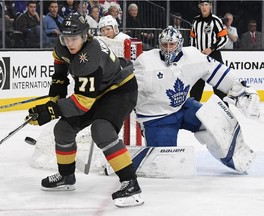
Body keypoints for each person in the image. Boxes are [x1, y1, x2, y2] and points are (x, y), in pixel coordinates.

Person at [25, 14, 144, 208]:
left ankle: (131, 183)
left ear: (85, 36)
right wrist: (56, 92)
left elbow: (82, 104)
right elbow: (60, 69)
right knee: (63, 130)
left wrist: (51, 110)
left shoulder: (90, 57)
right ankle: (66, 176)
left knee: (101, 130)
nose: (69, 43)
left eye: (74, 38)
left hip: (120, 89)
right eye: (66, 38)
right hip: (95, 91)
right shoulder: (62, 46)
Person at [134, 26, 260, 173]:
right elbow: (126, 93)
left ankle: (234, 155)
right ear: (159, 45)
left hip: (182, 107)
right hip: (157, 117)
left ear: (179, 44)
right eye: (164, 45)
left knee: (217, 118)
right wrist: (140, 121)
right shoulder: (145, 63)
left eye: (172, 44)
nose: (168, 49)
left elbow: (217, 71)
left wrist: (241, 90)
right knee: (165, 165)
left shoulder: (192, 56)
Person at [190, 0, 228, 102]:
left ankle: (225, 115)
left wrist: (211, 49)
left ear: (210, 6)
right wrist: (194, 54)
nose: (204, 7)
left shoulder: (216, 21)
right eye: (202, 5)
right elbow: (192, 40)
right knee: (195, 90)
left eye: (206, 5)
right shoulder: (195, 21)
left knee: (219, 89)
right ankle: (191, 114)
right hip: (199, 58)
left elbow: (224, 39)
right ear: (199, 6)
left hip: (214, 57)